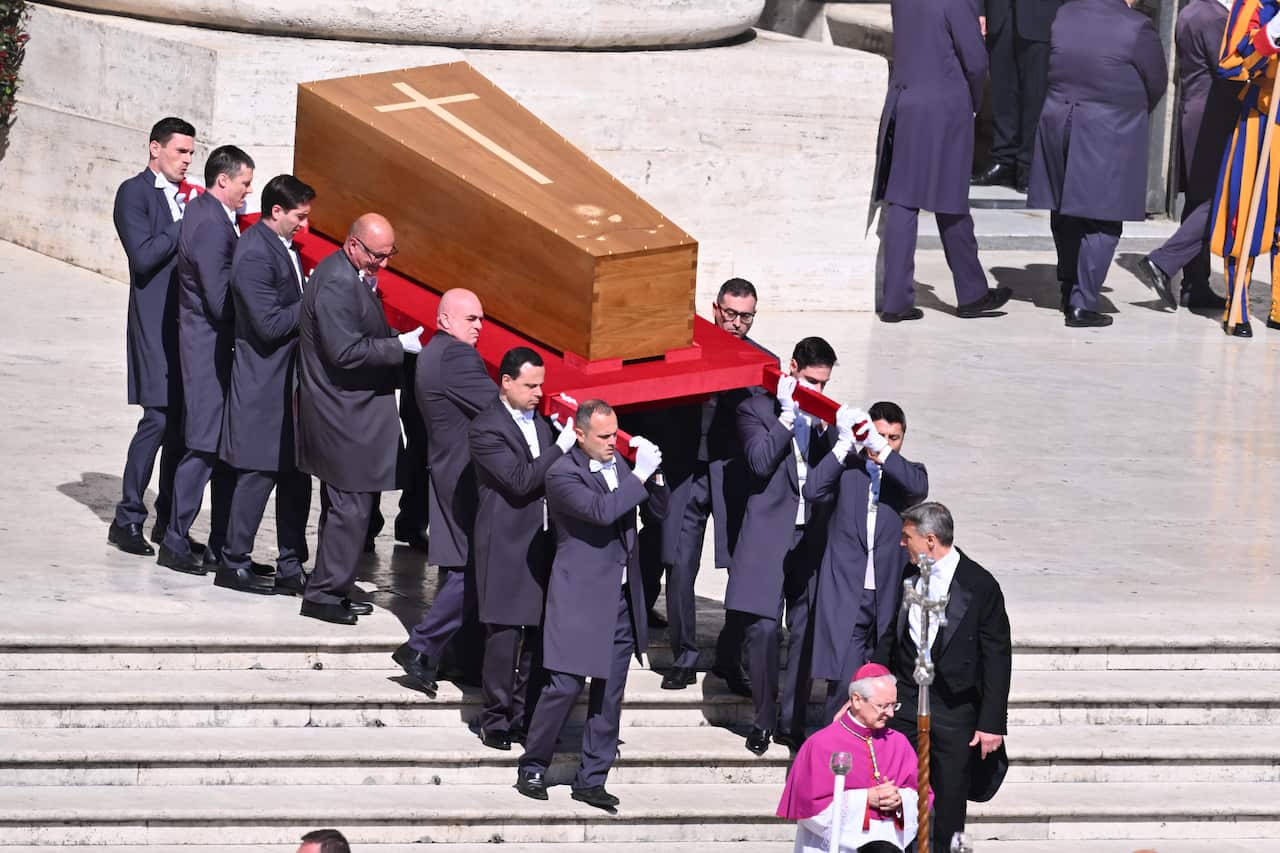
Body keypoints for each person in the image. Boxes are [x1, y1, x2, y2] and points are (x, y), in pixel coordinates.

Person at [515, 400, 669, 810]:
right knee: (564, 685)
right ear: (579, 434)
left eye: (613, 433)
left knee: (609, 694)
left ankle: (592, 778)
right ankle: (533, 765)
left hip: (618, 600)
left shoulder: (619, 465)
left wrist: (654, 475)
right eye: (602, 436)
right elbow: (601, 511)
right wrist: (637, 474)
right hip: (579, 598)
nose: (610, 443)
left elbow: (658, 512)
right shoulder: (563, 473)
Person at [626, 277, 769, 693]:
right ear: (714, 309)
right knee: (679, 561)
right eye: (730, 313)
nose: (737, 322)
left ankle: (730, 655)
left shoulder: (759, 364)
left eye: (746, 316)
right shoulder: (684, 351)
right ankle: (685, 655)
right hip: (684, 471)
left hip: (730, 477)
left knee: (740, 568)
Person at [296, 213, 422, 624]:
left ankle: (336, 580)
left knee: (348, 508)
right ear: (353, 245)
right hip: (342, 415)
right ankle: (323, 594)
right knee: (349, 508)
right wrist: (397, 346)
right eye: (376, 256)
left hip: (350, 413)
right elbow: (344, 352)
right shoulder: (336, 281)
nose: (382, 264)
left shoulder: (351, 274)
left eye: (388, 256)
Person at [872, 502, 1012, 851]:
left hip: (955, 709)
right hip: (906, 700)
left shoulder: (979, 585)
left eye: (907, 537)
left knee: (950, 798)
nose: (901, 544)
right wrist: (871, 685)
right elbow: (890, 636)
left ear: (930, 540)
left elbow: (997, 656)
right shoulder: (907, 577)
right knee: (895, 785)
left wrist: (991, 722)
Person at [1026, 0, 1167, 328]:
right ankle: (1082, 302)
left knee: (1065, 211)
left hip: (1059, 120)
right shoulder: (1136, 26)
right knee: (1102, 219)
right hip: (1109, 128)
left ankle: (1067, 285)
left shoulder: (1065, 13)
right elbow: (1156, 82)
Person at [728, 336, 838, 756]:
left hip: (809, 534)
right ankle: (763, 717)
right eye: (811, 381)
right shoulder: (756, 408)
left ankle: (791, 720)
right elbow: (758, 460)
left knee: (806, 628)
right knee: (763, 630)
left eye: (824, 384)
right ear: (792, 368)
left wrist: (832, 436)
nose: (818, 392)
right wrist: (788, 419)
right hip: (769, 534)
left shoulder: (824, 416)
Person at [873, 0, 1011, 323]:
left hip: (905, 101)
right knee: (951, 202)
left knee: (902, 201)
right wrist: (974, 101)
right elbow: (975, 61)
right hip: (944, 108)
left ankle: (896, 300)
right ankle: (973, 293)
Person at [468, 346, 576, 750]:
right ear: (506, 382)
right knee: (504, 636)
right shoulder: (486, 428)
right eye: (530, 385)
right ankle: (494, 718)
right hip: (507, 544)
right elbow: (518, 479)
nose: (537, 393)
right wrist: (561, 448)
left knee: (537, 636)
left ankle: (524, 715)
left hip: (544, 541)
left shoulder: (544, 423)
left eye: (541, 385)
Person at [393, 288, 497, 697]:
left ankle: (455, 658)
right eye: (471, 318)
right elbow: (497, 409)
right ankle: (420, 648)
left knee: (460, 569)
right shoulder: (458, 356)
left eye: (481, 318)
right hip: (464, 481)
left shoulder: (433, 353)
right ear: (445, 320)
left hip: (447, 472)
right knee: (469, 571)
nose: (479, 326)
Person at [157, 144, 254, 576]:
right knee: (203, 448)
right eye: (244, 183)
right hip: (208, 352)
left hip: (204, 348)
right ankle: (175, 540)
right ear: (223, 180)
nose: (247, 193)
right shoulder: (214, 226)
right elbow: (219, 300)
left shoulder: (202, 214)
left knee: (209, 447)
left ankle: (212, 543)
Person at [218, 174, 316, 595]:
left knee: (296, 479)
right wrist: (312, 302)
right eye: (300, 216)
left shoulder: (282, 246)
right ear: (276, 211)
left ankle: (291, 565)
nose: (305, 226)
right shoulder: (256, 253)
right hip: (263, 386)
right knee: (258, 476)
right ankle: (233, 562)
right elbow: (269, 323)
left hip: (288, 386)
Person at [805, 402, 929, 721]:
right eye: (880, 434)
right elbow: (813, 489)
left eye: (894, 437)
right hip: (848, 594)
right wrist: (846, 444)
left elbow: (919, 489)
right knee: (846, 688)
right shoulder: (847, 469)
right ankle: (836, 758)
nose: (887, 441)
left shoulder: (905, 473)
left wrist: (883, 453)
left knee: (883, 692)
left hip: (887, 598)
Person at [108, 116, 197, 557]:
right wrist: (183, 223)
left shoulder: (185, 199)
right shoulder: (134, 193)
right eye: (180, 151)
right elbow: (143, 258)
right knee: (158, 419)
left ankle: (169, 525)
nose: (187, 160)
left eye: (191, 153)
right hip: (152, 323)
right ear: (154, 148)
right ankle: (127, 518)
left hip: (186, 328)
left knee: (182, 426)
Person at [1140, 0, 1239, 311]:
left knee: (1199, 200)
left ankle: (1195, 285)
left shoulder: (1191, 11)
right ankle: (1163, 261)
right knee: (1217, 198)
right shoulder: (1215, 18)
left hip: (1196, 112)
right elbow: (1230, 69)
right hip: (1214, 117)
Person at [777, 663, 931, 853]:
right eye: (883, 706)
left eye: (894, 705)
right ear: (857, 700)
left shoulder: (898, 742)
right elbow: (809, 808)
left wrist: (900, 799)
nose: (890, 713)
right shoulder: (821, 744)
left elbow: (923, 795)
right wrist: (866, 798)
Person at [1208, 0, 1280, 336]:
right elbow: (1229, 64)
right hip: (1265, 120)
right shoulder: (1256, 2)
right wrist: (1271, 35)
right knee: (1249, 209)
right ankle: (1237, 305)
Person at [972, 0, 1064, 193]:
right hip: (1000, 14)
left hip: (1042, 16)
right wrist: (980, 10)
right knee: (1002, 90)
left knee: (1035, 96)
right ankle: (1003, 160)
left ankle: (1029, 165)